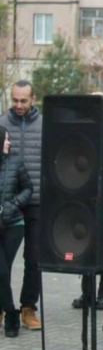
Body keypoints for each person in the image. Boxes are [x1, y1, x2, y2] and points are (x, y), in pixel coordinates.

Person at [0, 80, 43, 330]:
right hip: (7, 203)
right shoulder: (2, 124)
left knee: (34, 259)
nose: (18, 105)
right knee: (3, 261)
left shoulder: (43, 125)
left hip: (36, 201)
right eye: (14, 100)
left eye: (23, 100)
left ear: (32, 99)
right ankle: (3, 307)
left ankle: (28, 307)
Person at [0, 127, 32, 337]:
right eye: (5, 139)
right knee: (1, 271)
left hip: (13, 224)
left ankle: (9, 313)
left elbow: (28, 188)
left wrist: (12, 205)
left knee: (4, 269)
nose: (8, 143)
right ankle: (11, 311)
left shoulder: (15, 161)